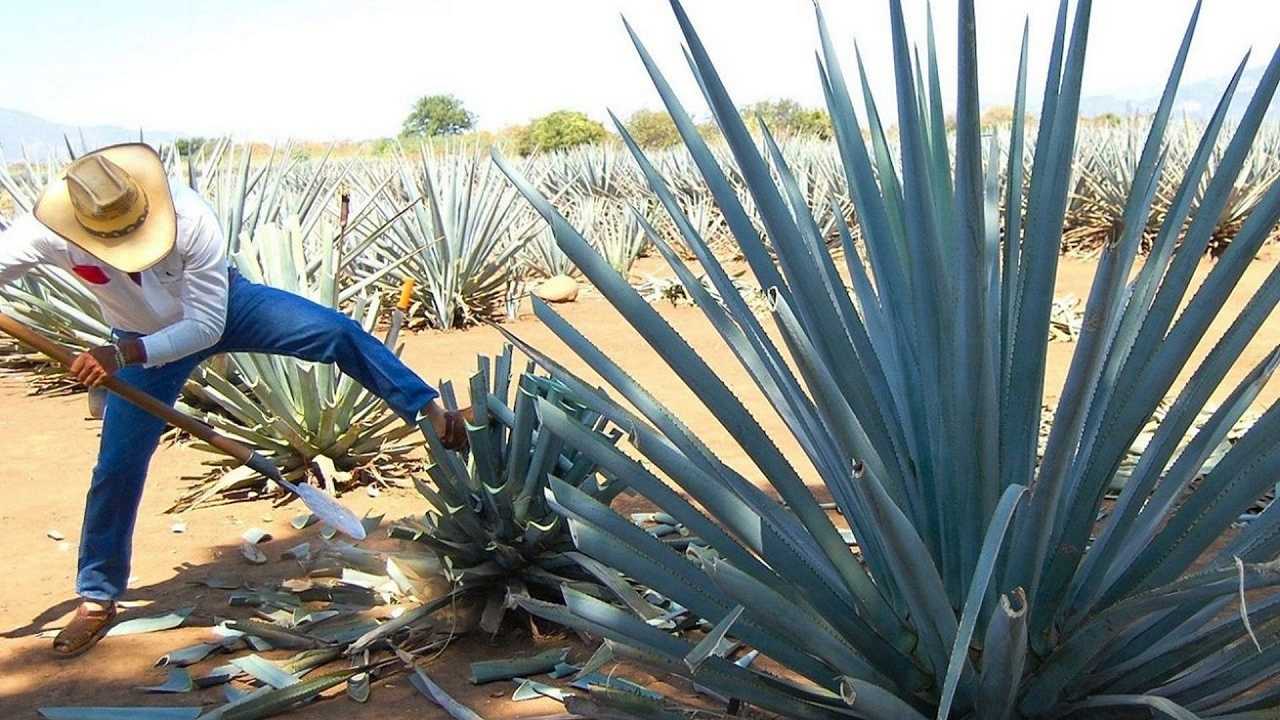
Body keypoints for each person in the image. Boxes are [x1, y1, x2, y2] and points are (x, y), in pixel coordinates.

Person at [0, 143, 468, 657]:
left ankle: (428, 410)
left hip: (221, 307)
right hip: (136, 341)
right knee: (116, 467)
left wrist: (122, 354)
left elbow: (204, 327)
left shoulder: (189, 216)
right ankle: (96, 597)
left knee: (336, 333)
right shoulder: (48, 230)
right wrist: (131, 350)